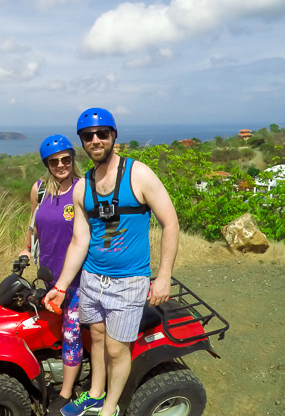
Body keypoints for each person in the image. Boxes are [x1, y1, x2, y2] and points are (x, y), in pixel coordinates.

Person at [44, 109, 179, 416]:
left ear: (113, 136)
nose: (95, 140)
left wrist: (164, 276)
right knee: (98, 338)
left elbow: (170, 223)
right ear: (82, 141)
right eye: (88, 136)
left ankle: (109, 408)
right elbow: (80, 240)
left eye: (102, 134)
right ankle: (94, 394)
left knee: (117, 349)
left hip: (128, 279)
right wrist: (62, 286)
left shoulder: (138, 174)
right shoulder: (83, 186)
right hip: (93, 278)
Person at [19, 134, 84, 416]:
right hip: (48, 273)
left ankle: (66, 393)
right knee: (52, 323)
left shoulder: (83, 188)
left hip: (78, 277)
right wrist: (26, 248)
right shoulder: (40, 189)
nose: (61, 165)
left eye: (66, 159)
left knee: (71, 333)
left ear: (73, 159)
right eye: (54, 161)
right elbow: (33, 223)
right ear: (47, 163)